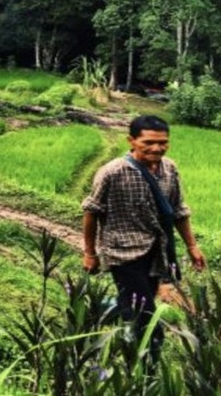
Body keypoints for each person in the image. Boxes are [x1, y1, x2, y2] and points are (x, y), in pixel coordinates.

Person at [82, 115, 206, 360]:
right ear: (132, 140)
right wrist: (89, 253)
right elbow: (91, 212)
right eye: (149, 142)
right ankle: (144, 364)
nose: (157, 148)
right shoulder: (112, 172)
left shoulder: (169, 168)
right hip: (123, 252)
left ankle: (102, 316)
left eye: (163, 142)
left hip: (156, 250)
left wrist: (192, 246)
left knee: (140, 301)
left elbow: (178, 210)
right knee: (146, 315)